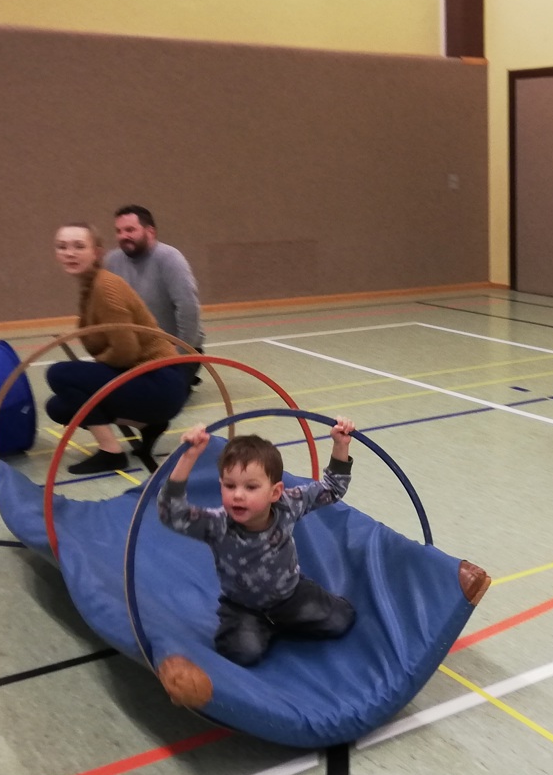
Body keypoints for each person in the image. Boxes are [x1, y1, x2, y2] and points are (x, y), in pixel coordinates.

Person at [158, 421, 359, 667]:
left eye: (251, 487)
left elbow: (333, 488)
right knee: (243, 652)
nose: (238, 495)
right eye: (229, 486)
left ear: (275, 492)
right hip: (243, 606)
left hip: (291, 594)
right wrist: (188, 457)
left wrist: (340, 444)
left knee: (341, 620)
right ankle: (264, 625)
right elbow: (172, 514)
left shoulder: (288, 504)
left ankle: (280, 621)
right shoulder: (217, 524)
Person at [46, 223, 190, 474]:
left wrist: (92, 369)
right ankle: (146, 425)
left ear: (97, 252)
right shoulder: (91, 286)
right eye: (62, 247)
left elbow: (125, 352)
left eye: (79, 246)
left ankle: (111, 452)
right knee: (59, 407)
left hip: (160, 383)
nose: (69, 253)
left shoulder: (106, 287)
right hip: (143, 379)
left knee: (59, 374)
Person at [105, 205, 204, 382]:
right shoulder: (112, 261)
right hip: (135, 352)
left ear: (150, 232)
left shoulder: (170, 258)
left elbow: (188, 309)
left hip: (174, 351)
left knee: (147, 393)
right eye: (118, 231)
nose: (123, 236)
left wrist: (179, 354)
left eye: (130, 230)